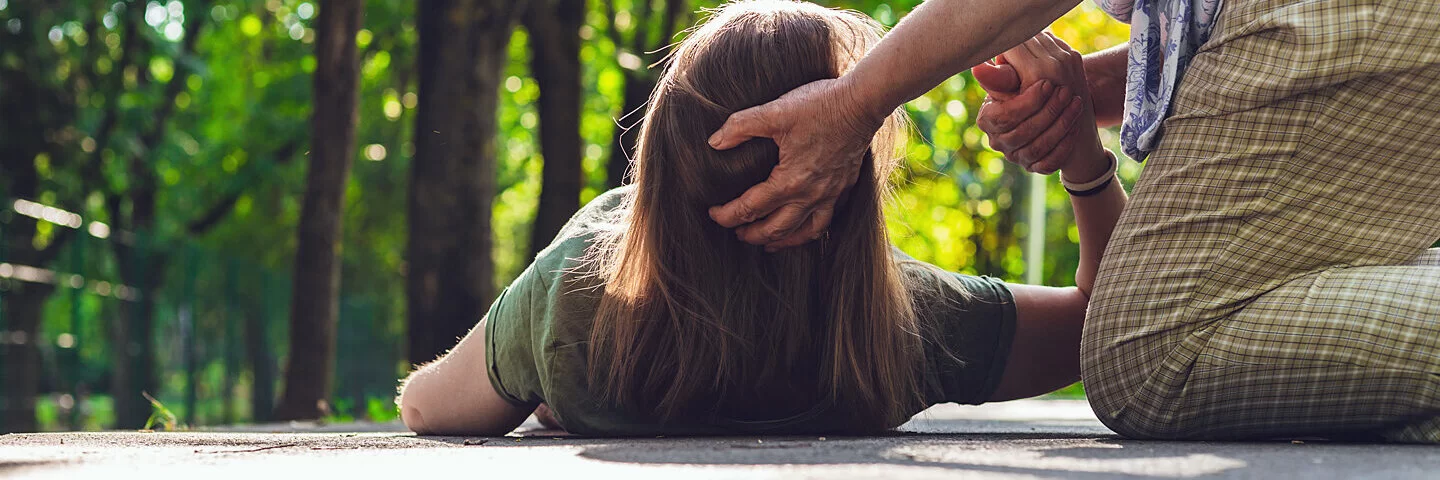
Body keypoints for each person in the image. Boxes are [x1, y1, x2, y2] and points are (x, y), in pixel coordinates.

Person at [711, 0, 1440, 442]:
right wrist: (1080, 117)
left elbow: (1108, 326)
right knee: (1174, 352)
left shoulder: (594, 291)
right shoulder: (910, 323)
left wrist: (855, 101)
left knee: (1150, 359)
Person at [395, 0, 1122, 436]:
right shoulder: (906, 325)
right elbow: (1108, 326)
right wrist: (1085, 161)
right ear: (844, 177)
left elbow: (425, 409)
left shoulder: (576, 300)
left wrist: (552, 364)